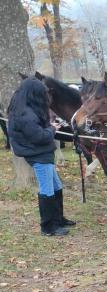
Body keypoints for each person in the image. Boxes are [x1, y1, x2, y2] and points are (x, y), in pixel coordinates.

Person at [7, 78, 75, 236]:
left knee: (57, 187)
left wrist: (53, 126)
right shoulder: (24, 114)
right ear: (34, 93)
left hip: (43, 152)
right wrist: (52, 129)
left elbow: (39, 131)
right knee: (47, 190)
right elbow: (40, 137)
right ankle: (48, 226)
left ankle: (58, 219)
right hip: (38, 154)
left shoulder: (28, 109)